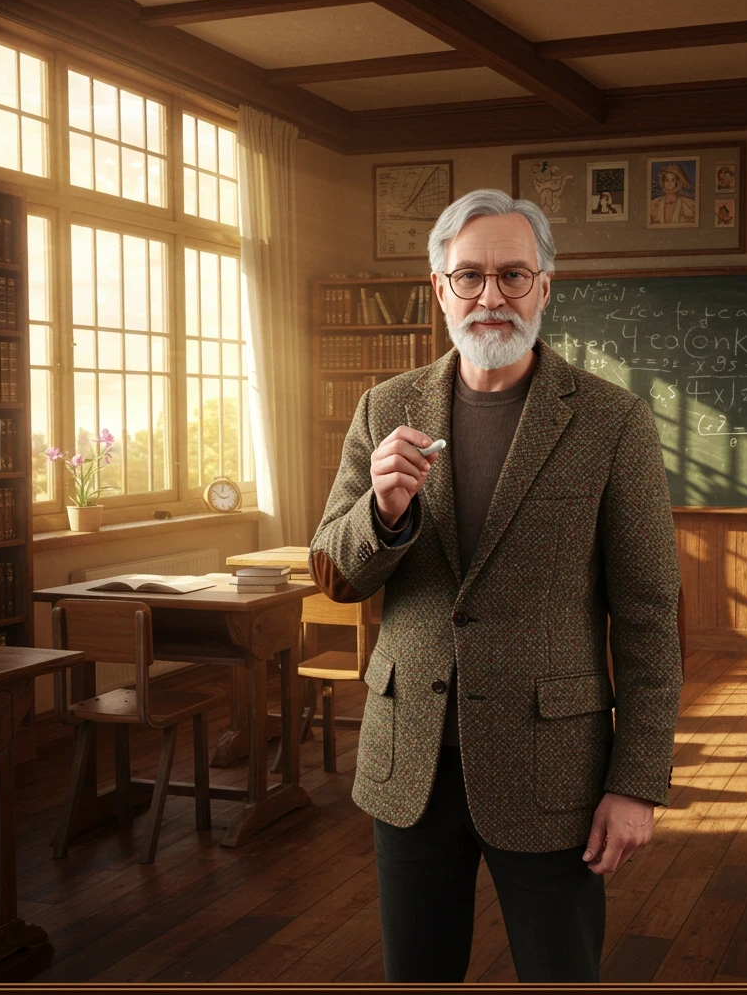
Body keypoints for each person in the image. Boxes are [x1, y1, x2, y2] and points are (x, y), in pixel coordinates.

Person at [309, 189, 682, 983]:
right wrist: (381, 512)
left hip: (553, 769)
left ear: (545, 286)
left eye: (513, 274)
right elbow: (334, 575)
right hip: (409, 761)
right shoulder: (386, 407)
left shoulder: (613, 421)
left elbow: (649, 616)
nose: (491, 296)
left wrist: (637, 782)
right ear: (439, 287)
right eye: (470, 276)